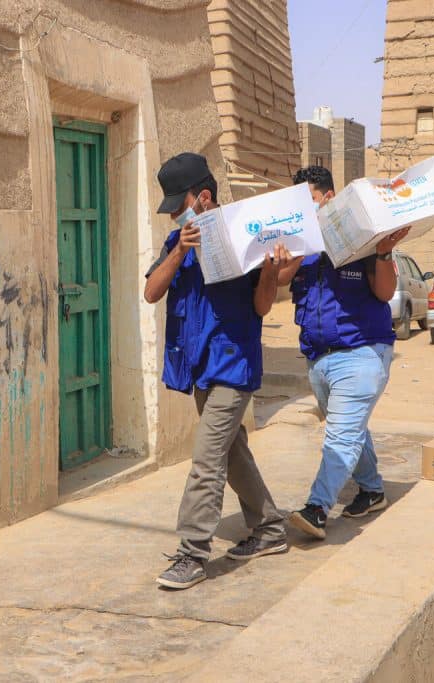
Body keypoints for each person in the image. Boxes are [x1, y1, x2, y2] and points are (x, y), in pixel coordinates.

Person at [145, 152, 292, 590]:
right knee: (231, 453)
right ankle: (269, 529)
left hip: (234, 365)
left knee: (206, 458)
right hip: (199, 368)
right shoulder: (176, 243)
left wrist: (269, 271)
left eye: (179, 203)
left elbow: (263, 305)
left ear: (203, 196)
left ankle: (192, 552)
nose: (174, 212)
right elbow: (152, 291)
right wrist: (180, 253)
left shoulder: (244, 238)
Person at [276, 166, 410, 540]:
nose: (307, 208)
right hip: (318, 358)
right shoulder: (301, 245)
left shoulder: (364, 239)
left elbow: (384, 293)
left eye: (311, 200)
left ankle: (317, 509)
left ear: (330, 198)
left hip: (362, 350)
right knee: (350, 428)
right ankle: (372, 490)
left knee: (340, 436)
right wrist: (286, 249)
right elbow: (281, 280)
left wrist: (383, 255)